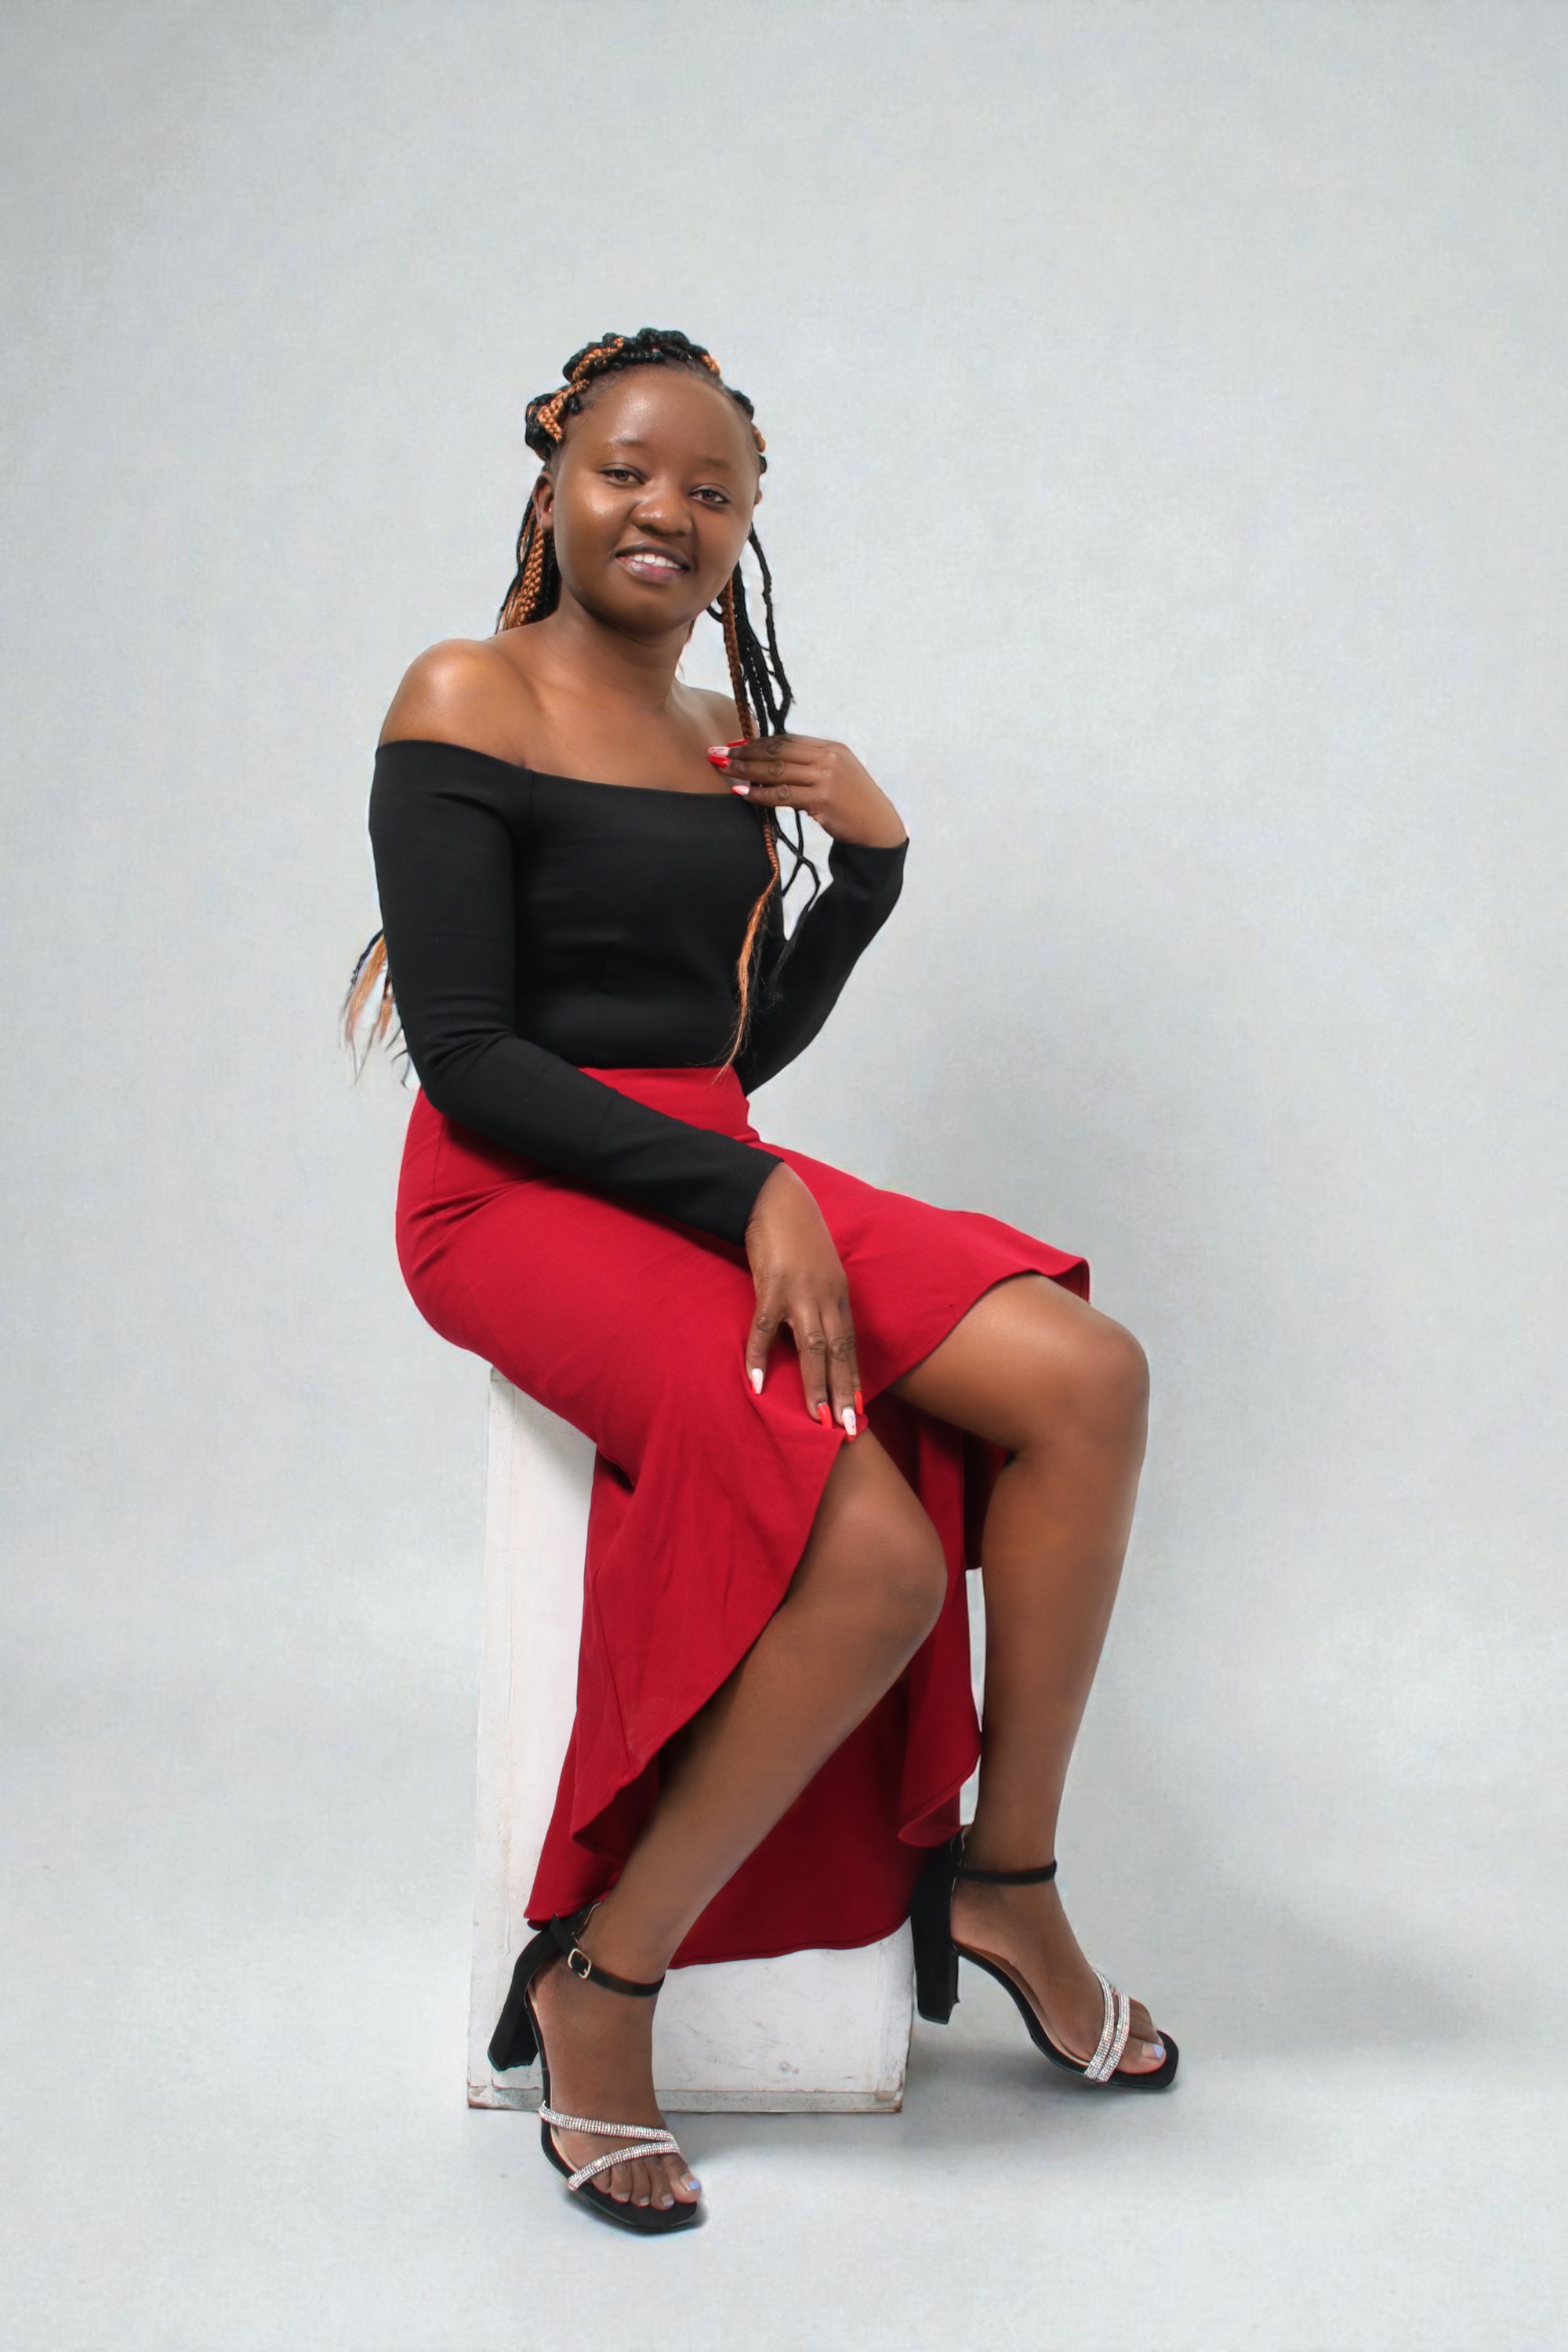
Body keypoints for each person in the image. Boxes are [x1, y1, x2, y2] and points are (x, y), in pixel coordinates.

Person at [343, 327, 1178, 2237]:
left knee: (1088, 1378)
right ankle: (603, 1980)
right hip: (514, 1189)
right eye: (631, 471)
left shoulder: (729, 730)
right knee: (870, 1561)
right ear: (555, 480)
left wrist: (866, 871)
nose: (670, 512)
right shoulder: (465, 691)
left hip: (712, 1160)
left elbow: (732, 1047)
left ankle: (1008, 1878)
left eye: (713, 491)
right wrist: (743, 1193)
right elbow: (469, 1058)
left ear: (747, 527)